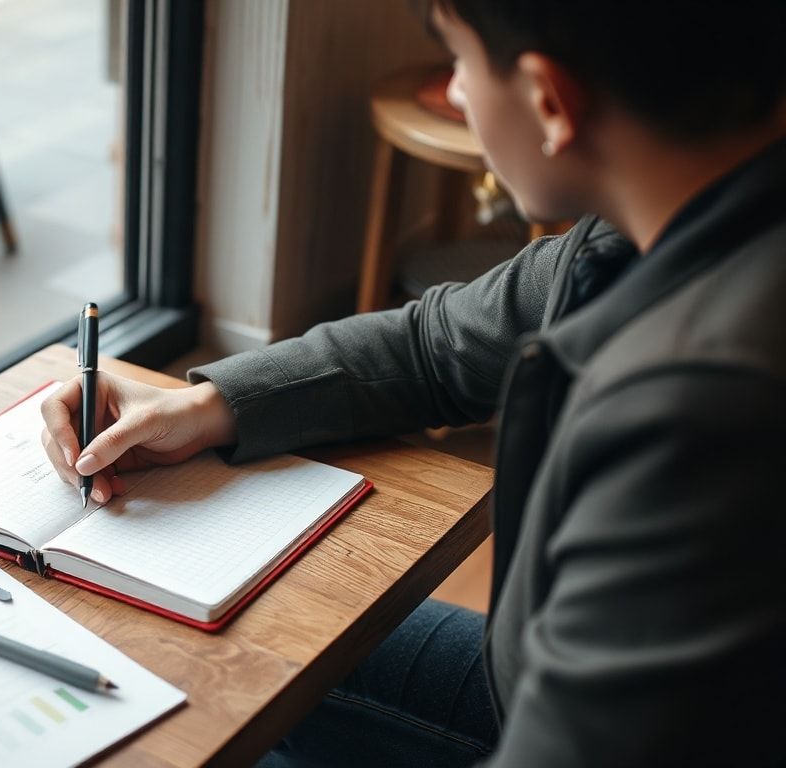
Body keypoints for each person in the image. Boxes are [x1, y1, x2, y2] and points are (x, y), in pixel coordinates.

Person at [41, 0, 786, 764]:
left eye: (459, 62)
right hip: (543, 677)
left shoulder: (704, 414)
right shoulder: (650, 224)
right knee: (249, 660)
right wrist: (206, 406)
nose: (457, 95)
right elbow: (437, 344)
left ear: (549, 101)